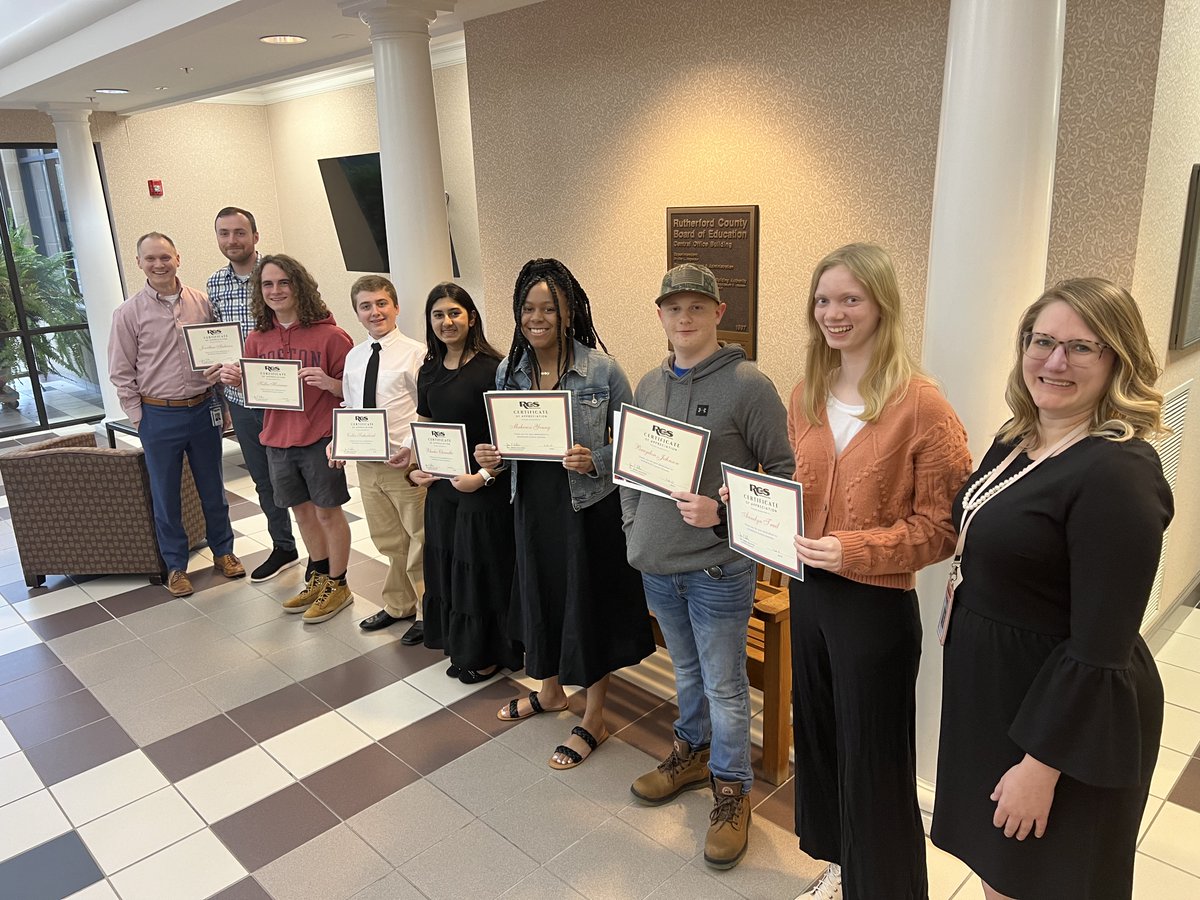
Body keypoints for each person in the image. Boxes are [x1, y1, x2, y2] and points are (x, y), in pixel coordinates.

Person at [931, 278, 1173, 900]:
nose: (1055, 361)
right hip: (998, 697)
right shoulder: (1018, 439)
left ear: (1118, 359)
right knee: (1000, 872)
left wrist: (1042, 766)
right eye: (1042, 341)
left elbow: (1101, 646)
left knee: (1044, 880)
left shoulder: (1117, 473)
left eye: (1081, 348)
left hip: (1061, 718)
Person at [787, 243, 972, 900]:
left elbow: (945, 528)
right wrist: (752, 506)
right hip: (807, 596)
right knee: (821, 742)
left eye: (849, 299)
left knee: (875, 760)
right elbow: (803, 491)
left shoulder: (923, 405)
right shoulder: (806, 392)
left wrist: (855, 550)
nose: (833, 313)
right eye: (823, 299)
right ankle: (842, 871)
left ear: (881, 304)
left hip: (874, 608)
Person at [623, 263, 794, 870]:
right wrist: (631, 526)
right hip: (657, 563)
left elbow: (783, 474)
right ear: (661, 315)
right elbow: (632, 471)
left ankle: (731, 790)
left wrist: (722, 513)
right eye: (674, 308)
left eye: (697, 308)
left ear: (720, 314)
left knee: (725, 686)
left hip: (718, 569)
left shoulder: (750, 386)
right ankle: (690, 756)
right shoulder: (647, 383)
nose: (684, 318)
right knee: (687, 673)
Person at [475, 258, 654, 769]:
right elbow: (512, 442)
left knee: (586, 607)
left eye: (548, 308)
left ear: (568, 311)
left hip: (586, 509)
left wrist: (595, 457)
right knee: (541, 597)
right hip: (531, 507)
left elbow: (636, 445)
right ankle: (550, 691)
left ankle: (595, 715)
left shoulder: (602, 370)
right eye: (528, 309)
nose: (537, 318)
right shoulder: (510, 370)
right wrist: (493, 456)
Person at [108, 232, 246, 597]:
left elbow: (220, 355)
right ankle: (175, 566)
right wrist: (140, 417)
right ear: (139, 263)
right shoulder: (127, 313)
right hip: (158, 415)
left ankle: (224, 551)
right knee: (165, 495)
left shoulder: (202, 303)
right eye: (150, 258)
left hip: (203, 408)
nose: (158, 264)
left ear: (178, 258)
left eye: (165, 257)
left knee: (213, 488)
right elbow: (121, 372)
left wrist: (223, 402)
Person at [409, 282, 519, 680]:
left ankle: (486, 652)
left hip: (481, 491)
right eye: (438, 315)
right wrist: (419, 467)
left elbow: (513, 436)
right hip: (443, 490)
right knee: (448, 568)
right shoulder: (430, 369)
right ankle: (461, 644)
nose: (446, 321)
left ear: (471, 317)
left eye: (454, 313)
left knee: (480, 572)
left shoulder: (495, 369)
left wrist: (484, 476)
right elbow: (426, 422)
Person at [242, 254, 355, 623]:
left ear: (299, 286)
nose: (276, 291)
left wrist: (331, 384)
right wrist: (237, 380)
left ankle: (339, 585)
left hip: (319, 438)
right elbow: (256, 390)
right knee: (303, 513)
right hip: (277, 440)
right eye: (267, 285)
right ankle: (318, 576)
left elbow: (353, 393)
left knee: (327, 512)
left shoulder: (332, 336)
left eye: (283, 283)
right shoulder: (257, 339)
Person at [206, 206, 299, 582]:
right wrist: (219, 381)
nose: (232, 240)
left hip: (284, 400)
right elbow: (215, 343)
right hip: (243, 403)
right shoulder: (214, 284)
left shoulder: (277, 277)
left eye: (240, 233)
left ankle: (325, 557)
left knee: (302, 478)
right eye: (224, 233)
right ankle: (284, 546)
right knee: (263, 479)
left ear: (255, 236)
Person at [337, 275, 427, 645]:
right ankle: (398, 605)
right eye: (365, 306)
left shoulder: (416, 352)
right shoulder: (354, 357)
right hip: (368, 464)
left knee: (419, 538)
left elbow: (426, 409)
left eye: (381, 304)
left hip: (403, 463)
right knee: (388, 539)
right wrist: (338, 443)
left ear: (395, 306)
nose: (375, 312)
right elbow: (350, 407)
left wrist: (409, 446)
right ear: (357, 312)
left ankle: (427, 611)